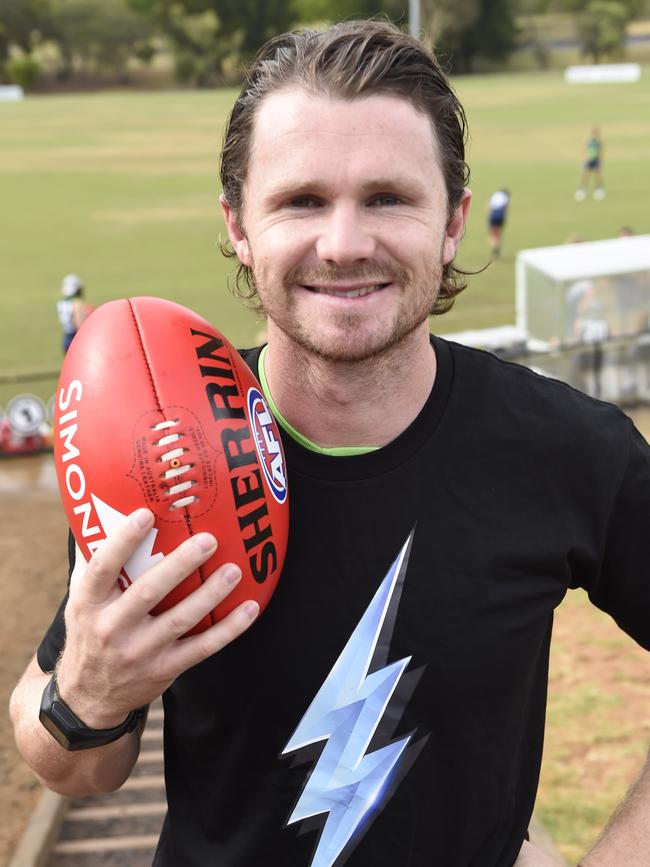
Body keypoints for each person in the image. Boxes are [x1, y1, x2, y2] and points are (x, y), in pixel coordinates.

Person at [10, 21, 650, 867]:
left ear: (454, 220)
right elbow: (77, 767)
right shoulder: (159, 453)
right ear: (238, 225)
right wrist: (83, 694)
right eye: (302, 200)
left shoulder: (571, 448)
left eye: (388, 197)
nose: (345, 244)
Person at [56, 273, 93, 353]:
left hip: (66, 337)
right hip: (74, 338)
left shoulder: (61, 303)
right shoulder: (76, 304)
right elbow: (80, 324)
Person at [574, 127, 605, 201]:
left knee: (597, 175)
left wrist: (601, 161)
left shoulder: (599, 142)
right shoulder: (588, 141)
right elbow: (584, 150)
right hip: (588, 160)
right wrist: (584, 159)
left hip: (596, 160)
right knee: (585, 175)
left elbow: (601, 152)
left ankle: (599, 189)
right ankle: (582, 189)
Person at [487, 188, 510, 259]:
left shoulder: (495, 195)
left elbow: (489, 207)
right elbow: (507, 208)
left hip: (494, 214)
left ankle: (495, 245)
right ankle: (498, 245)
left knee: (492, 233)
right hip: (501, 215)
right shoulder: (505, 197)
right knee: (498, 232)